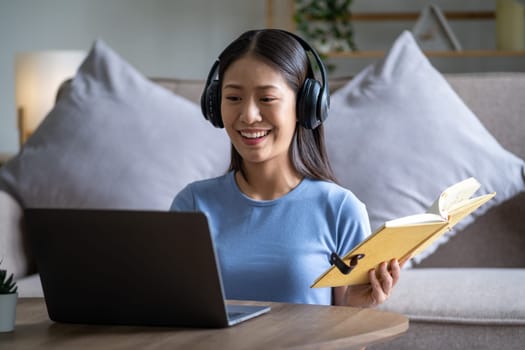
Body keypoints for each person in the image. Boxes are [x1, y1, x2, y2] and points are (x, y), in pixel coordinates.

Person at [171, 29, 400, 307]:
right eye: (233, 98)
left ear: (304, 106)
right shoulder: (192, 204)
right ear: (215, 106)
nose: (249, 116)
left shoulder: (341, 210)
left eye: (266, 99)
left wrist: (358, 309)